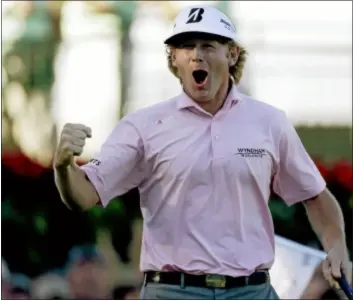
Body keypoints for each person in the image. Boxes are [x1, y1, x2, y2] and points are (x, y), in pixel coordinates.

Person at [53, 5, 350, 300]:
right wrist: (64, 167)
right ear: (174, 58)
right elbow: (83, 195)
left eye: (208, 45)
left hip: (252, 292)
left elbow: (314, 195)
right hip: (170, 292)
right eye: (186, 46)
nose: (197, 54)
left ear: (231, 54)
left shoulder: (270, 122)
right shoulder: (143, 125)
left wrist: (336, 245)